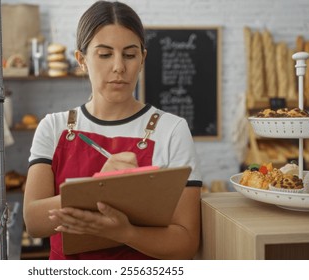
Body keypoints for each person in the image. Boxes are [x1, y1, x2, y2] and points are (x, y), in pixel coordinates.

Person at [23, 0, 202, 260]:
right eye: (105, 54)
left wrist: (125, 233)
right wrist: (97, 188)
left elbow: (186, 244)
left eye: (129, 54)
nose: (119, 66)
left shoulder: (172, 130)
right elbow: (34, 221)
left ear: (143, 59)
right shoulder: (53, 127)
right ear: (81, 60)